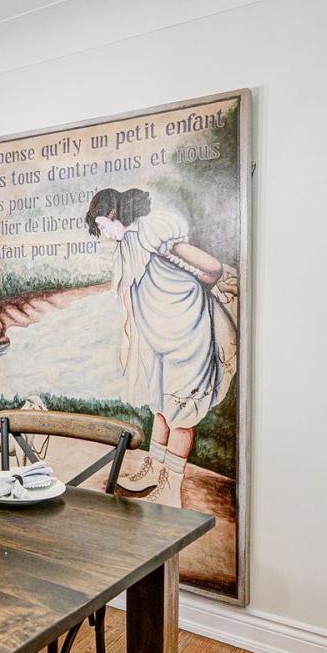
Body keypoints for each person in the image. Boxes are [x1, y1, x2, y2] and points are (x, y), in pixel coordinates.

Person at [85, 187, 237, 502]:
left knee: (182, 410)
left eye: (102, 224)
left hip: (187, 332)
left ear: (114, 214)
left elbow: (211, 267)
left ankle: (171, 490)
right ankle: (155, 469)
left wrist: (204, 283)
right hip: (158, 339)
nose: (101, 232)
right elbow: (130, 305)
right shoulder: (126, 247)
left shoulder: (150, 231)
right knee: (162, 407)